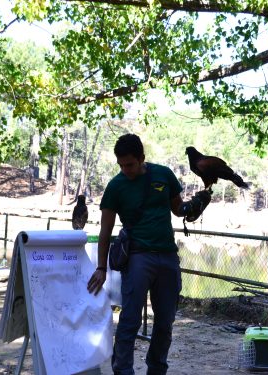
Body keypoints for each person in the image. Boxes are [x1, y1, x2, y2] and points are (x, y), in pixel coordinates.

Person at [87, 133, 211, 375]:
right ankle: (123, 371)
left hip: (167, 256)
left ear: (142, 158)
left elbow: (179, 210)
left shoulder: (164, 174)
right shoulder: (115, 186)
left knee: (165, 323)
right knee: (130, 321)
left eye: (130, 164)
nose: (126, 170)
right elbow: (105, 231)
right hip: (137, 257)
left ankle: (157, 369)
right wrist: (101, 268)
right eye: (121, 165)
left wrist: (196, 205)